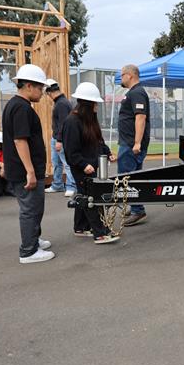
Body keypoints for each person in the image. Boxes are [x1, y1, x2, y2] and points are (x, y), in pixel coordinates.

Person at [2, 64, 54, 264]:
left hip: (24, 169)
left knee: (34, 207)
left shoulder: (15, 105)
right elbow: (19, 140)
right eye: (40, 88)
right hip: (26, 171)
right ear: (29, 86)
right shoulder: (21, 108)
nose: (42, 92)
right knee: (30, 209)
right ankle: (28, 251)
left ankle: (33, 240)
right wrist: (30, 172)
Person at [63, 82, 119, 244]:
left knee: (84, 195)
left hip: (91, 166)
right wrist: (83, 165)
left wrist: (107, 153)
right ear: (87, 104)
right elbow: (70, 151)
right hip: (82, 168)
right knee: (91, 198)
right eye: (95, 103)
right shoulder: (72, 122)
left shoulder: (89, 121)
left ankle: (80, 227)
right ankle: (99, 232)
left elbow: (98, 142)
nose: (97, 107)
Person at [117, 64, 150, 226]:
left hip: (131, 144)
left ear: (130, 75)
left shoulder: (137, 92)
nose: (121, 78)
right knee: (131, 176)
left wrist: (137, 143)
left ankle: (138, 210)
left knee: (128, 177)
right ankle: (136, 206)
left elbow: (140, 118)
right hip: (128, 143)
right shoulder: (133, 93)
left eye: (122, 75)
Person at [44, 78, 76, 197]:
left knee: (66, 163)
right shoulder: (61, 102)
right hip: (57, 138)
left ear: (49, 92)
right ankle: (57, 184)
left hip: (61, 139)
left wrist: (59, 140)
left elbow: (63, 123)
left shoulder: (61, 104)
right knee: (57, 163)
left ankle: (71, 186)